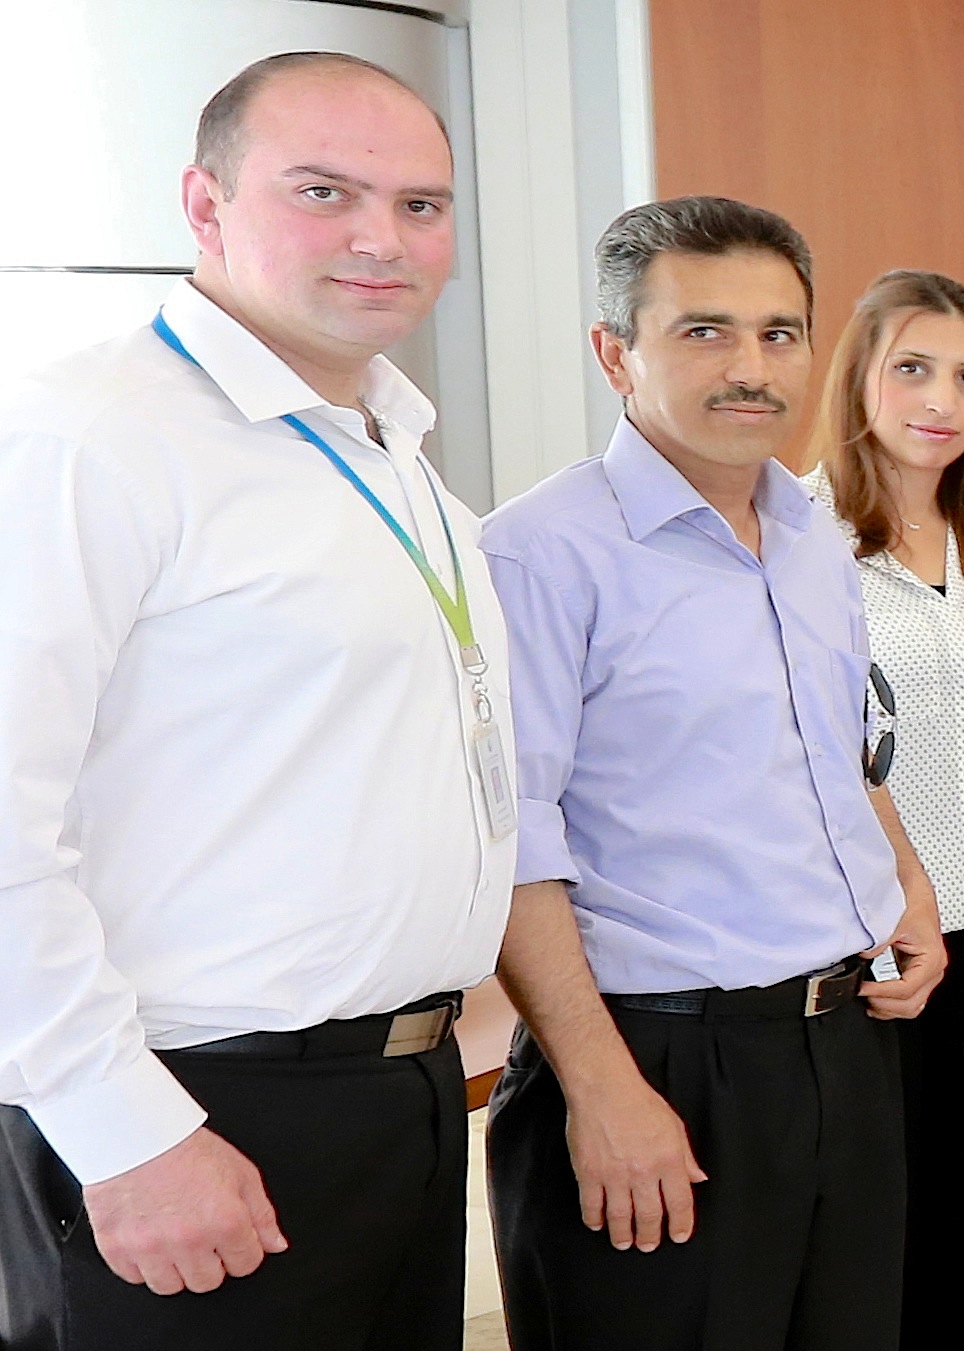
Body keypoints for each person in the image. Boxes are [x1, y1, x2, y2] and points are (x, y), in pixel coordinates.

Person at [0, 51, 506, 1350]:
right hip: (193, 1109)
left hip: (394, 1095)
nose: (381, 238)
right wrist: (126, 1134)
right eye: (323, 192)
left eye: (420, 205)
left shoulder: (393, 451)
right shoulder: (91, 435)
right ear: (204, 203)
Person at [480, 194, 947, 1350]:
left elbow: (839, 747)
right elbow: (511, 837)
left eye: (779, 333)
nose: (752, 367)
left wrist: (906, 885)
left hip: (841, 1044)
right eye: (705, 332)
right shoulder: (540, 552)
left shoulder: (812, 534)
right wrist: (601, 1088)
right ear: (615, 353)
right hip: (655, 1059)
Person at [795, 269, 964, 1351]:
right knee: (862, 1249)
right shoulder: (798, 538)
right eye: (913, 368)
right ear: (858, 376)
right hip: (868, 953)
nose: (943, 401)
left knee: (953, 1235)